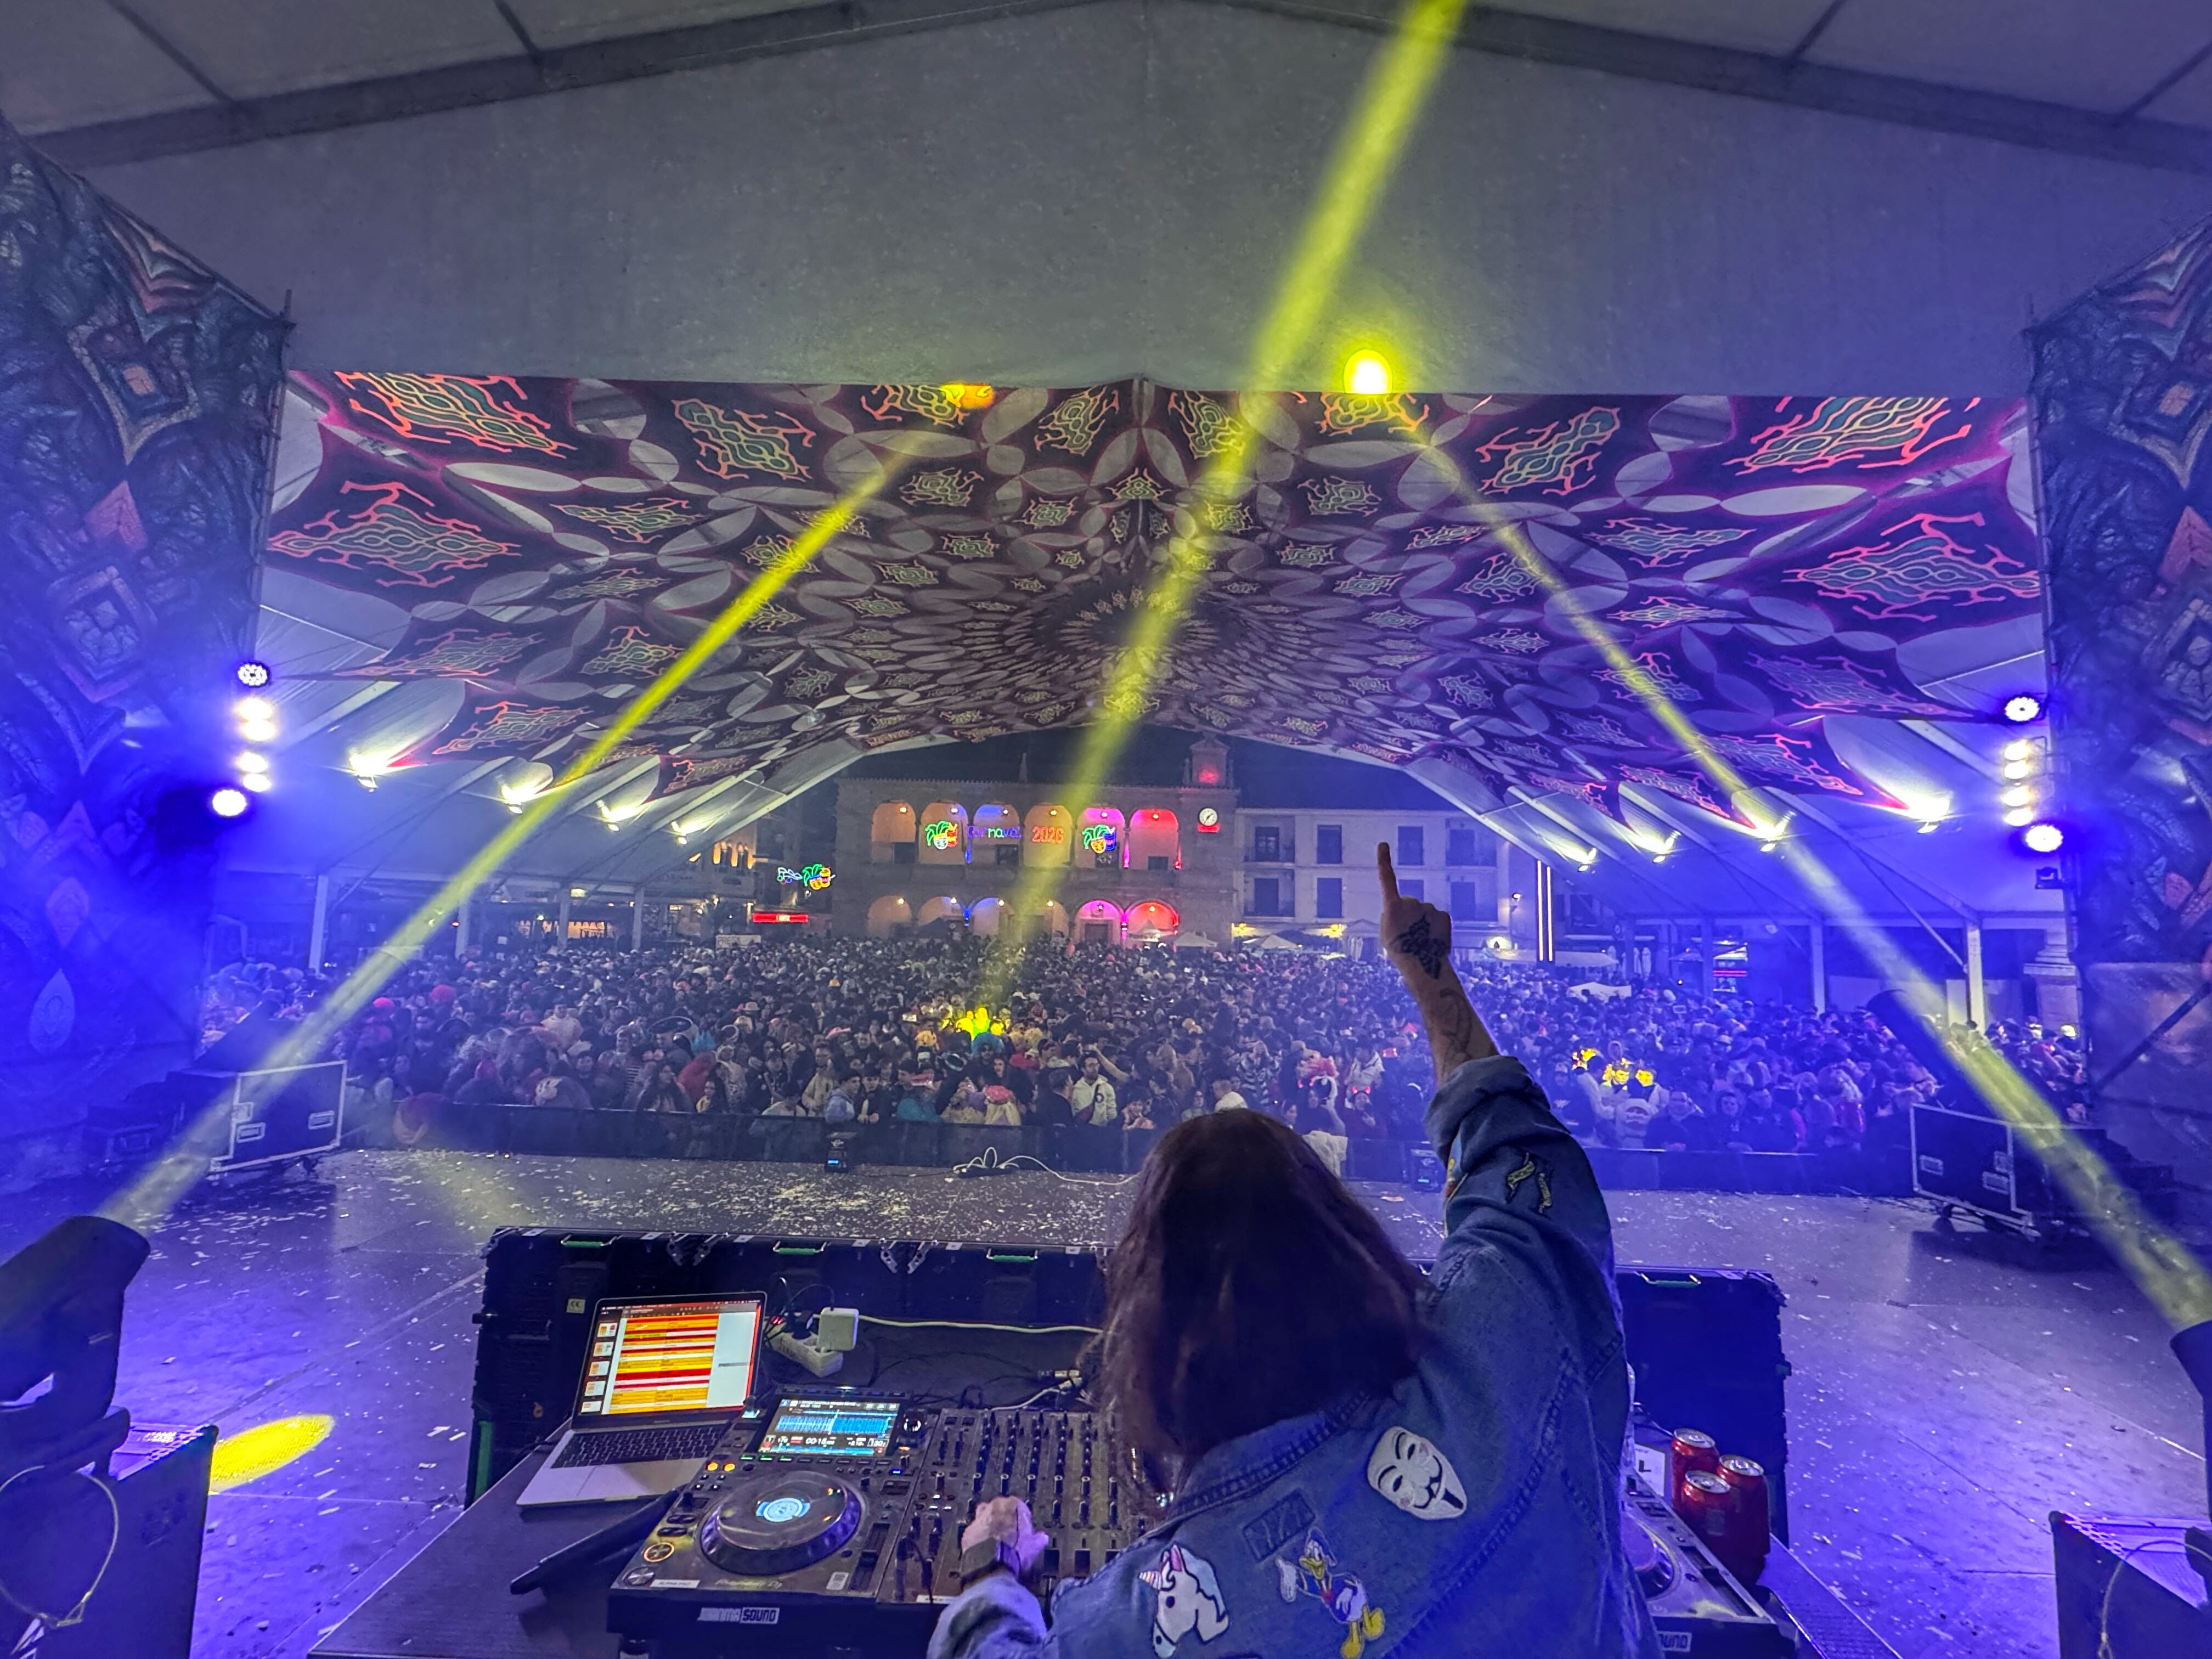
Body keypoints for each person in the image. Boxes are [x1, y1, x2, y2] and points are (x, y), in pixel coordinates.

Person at [929, 847, 1657, 1659]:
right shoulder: (1501, 1353)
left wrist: (991, 1571)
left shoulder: (1134, 1629)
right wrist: (1427, 971)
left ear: (1154, 1327)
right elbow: (1522, 1156)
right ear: (1350, 1247)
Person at [1069, 1053, 1118, 1127]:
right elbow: (1073, 1111)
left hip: (1101, 1129)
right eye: (1091, 1066)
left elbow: (1112, 1113)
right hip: (1082, 1129)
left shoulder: (1107, 1087)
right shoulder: (1076, 1089)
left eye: (1097, 1065)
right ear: (1083, 1069)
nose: (1095, 1068)